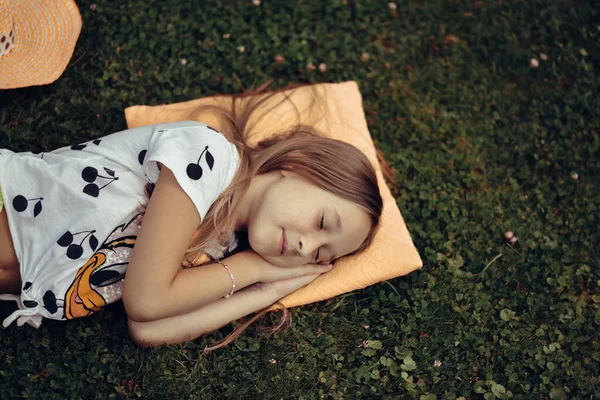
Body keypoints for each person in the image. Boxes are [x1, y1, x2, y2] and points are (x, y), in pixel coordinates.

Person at [0, 84, 383, 349]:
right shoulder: (206, 158)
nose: (305, 246)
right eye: (321, 224)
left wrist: (268, 291)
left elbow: (148, 330)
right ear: (299, 166)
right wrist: (252, 271)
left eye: (318, 255)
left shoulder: (220, 247)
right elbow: (145, 301)